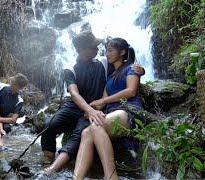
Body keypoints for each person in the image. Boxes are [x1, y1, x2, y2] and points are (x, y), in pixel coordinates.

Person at [39, 31, 145, 176]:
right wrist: (90, 109)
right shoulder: (70, 67)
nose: (99, 49)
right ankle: (48, 158)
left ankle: (54, 168)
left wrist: (140, 70)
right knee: (51, 125)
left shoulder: (103, 61)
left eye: (104, 48)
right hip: (77, 105)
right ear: (83, 50)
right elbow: (74, 93)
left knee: (80, 134)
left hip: (96, 107)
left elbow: (126, 65)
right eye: (94, 46)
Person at [73, 38, 144, 180]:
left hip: (128, 110)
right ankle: (77, 178)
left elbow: (131, 91)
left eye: (111, 50)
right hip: (113, 114)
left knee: (96, 126)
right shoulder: (111, 76)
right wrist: (91, 109)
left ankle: (111, 177)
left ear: (123, 52)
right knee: (86, 133)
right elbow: (101, 104)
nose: (107, 54)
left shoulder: (132, 68)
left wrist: (103, 100)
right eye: (106, 50)